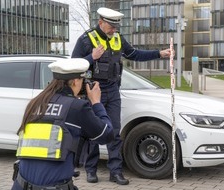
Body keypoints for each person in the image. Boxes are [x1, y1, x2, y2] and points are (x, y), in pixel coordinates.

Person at [71, 7, 174, 185]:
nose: (114, 30)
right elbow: (74, 64)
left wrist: (159, 53)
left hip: (112, 91)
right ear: (100, 22)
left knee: (114, 132)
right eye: (111, 26)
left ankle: (115, 172)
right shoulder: (86, 40)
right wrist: (91, 57)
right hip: (94, 90)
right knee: (93, 132)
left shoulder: (118, 38)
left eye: (116, 27)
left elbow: (134, 54)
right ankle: (91, 170)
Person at [11, 58, 114, 190]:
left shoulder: (35, 103)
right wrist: (96, 103)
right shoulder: (77, 107)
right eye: (83, 81)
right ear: (76, 81)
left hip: (21, 185)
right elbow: (106, 134)